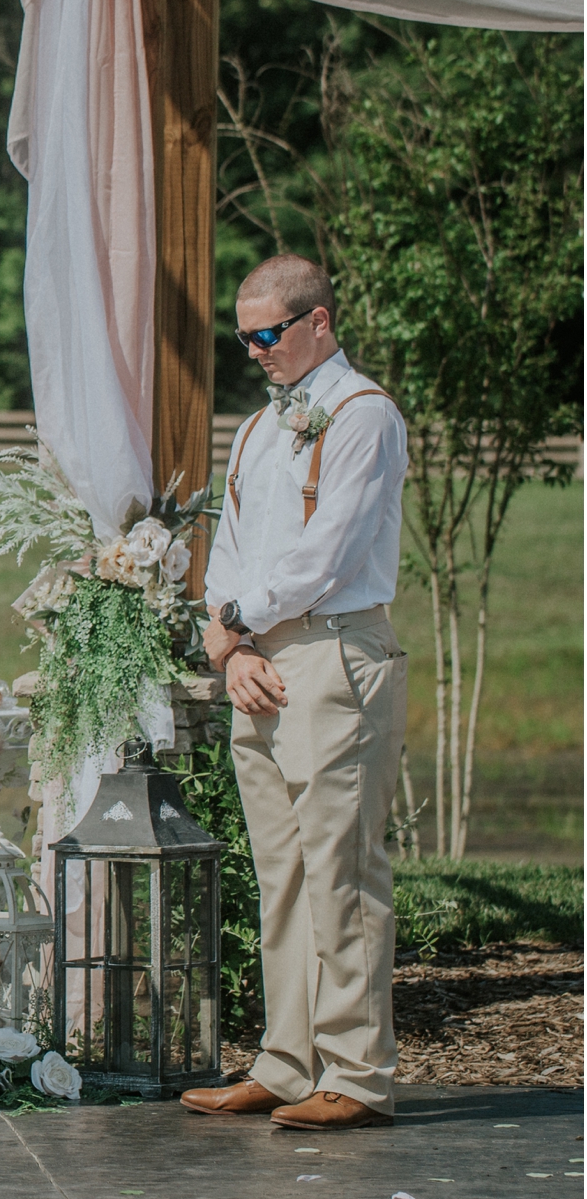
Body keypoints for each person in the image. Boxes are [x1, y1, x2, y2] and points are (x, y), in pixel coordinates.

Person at [180, 254, 408, 1132]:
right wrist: (231, 647)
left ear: (318, 322)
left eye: (269, 335)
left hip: (334, 652)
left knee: (342, 871)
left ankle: (356, 1071)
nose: (256, 352)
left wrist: (233, 617)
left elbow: (330, 555)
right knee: (281, 871)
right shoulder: (257, 428)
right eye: (245, 338)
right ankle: (285, 1060)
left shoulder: (363, 415)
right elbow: (232, 540)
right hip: (260, 660)